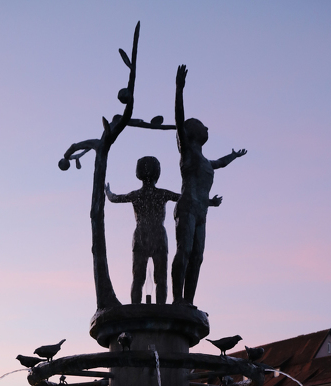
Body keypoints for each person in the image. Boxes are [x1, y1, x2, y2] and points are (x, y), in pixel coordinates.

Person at [171, 64, 246, 305]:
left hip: (201, 211)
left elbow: (221, 163)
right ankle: (177, 300)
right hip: (187, 208)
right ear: (192, 133)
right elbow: (178, 118)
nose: (207, 128)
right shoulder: (187, 153)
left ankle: (188, 302)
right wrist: (179, 89)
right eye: (203, 125)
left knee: (198, 257)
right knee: (184, 252)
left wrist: (234, 156)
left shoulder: (205, 161)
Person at [105, 156, 180, 304]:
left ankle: (136, 307)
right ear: (157, 173)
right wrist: (209, 201)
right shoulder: (162, 193)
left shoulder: (136, 195)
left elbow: (115, 198)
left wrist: (108, 192)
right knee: (161, 279)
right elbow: (185, 198)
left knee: (138, 278)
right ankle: (160, 308)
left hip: (141, 235)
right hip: (158, 235)